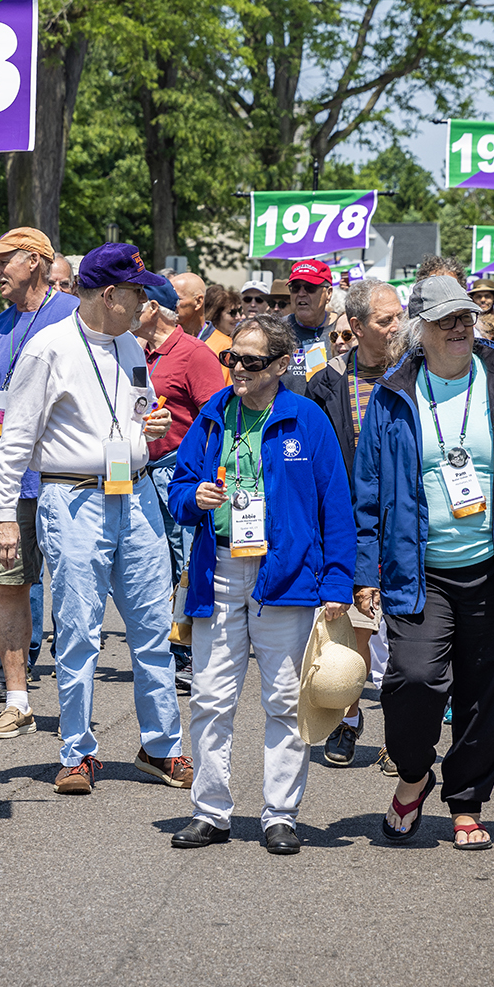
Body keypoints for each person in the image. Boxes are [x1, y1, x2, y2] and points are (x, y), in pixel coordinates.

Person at [354, 276, 494, 847]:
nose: (459, 327)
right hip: (419, 570)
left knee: (489, 693)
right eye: (445, 319)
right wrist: (364, 573)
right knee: (413, 681)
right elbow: (368, 489)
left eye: (466, 317)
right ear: (420, 329)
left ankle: (467, 800)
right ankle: (415, 774)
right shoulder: (394, 394)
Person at [0, 244, 192, 797]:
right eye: (137, 293)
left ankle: (161, 747)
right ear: (110, 295)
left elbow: (135, 409)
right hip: (73, 499)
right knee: (79, 632)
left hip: (137, 494)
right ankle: (77, 751)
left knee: (152, 629)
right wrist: (4, 516)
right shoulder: (47, 349)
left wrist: (149, 427)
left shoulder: (129, 343)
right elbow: (14, 443)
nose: (147, 303)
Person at [165, 313, 356, 854]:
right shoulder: (212, 415)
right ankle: (211, 811)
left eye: (251, 361)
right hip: (218, 570)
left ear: (280, 364)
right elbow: (181, 487)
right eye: (233, 358)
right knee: (210, 698)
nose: (238, 369)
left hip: (287, 576)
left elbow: (334, 508)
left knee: (283, 700)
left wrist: (339, 582)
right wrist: (192, 498)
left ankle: (280, 815)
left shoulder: (307, 419)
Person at [0, 226, 80, 741]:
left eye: (3, 261)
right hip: (11, 487)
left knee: (78, 596)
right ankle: (17, 700)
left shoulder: (77, 315)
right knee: (11, 589)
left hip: (70, 480)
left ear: (35, 261)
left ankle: (77, 709)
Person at [305, 278, 404, 768]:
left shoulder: (415, 375)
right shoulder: (326, 384)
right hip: (349, 521)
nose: (397, 328)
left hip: (406, 518)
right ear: (358, 326)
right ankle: (347, 717)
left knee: (404, 633)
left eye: (399, 317)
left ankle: (399, 732)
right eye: (386, 321)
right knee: (354, 627)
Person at [137, 277, 228, 693]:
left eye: (138, 300)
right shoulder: (136, 351)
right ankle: (172, 653)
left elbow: (218, 419)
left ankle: (193, 656)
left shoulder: (193, 353)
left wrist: (203, 479)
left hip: (177, 472)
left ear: (153, 308)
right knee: (156, 567)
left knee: (185, 565)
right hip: (140, 473)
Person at [280, 260, 344, 393]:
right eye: (295, 288)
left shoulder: (343, 329)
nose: (301, 294)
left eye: (310, 288)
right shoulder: (276, 330)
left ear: (329, 293)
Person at [199, 284, 237, 360]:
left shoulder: (231, 344)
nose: (238, 317)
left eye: (238, 311)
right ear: (216, 314)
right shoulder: (226, 345)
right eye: (232, 313)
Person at [171, 272, 207, 338]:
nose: (169, 303)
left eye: (177, 299)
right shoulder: (162, 340)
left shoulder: (222, 345)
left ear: (198, 302)